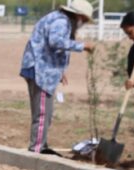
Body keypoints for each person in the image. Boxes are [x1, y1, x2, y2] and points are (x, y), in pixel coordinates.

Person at [19, 0, 95, 155]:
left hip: (44, 69)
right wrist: (82, 46)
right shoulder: (61, 21)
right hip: (39, 70)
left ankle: (41, 145)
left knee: (45, 112)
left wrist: (60, 71)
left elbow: (52, 48)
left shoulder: (59, 19)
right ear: (78, 16)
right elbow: (56, 42)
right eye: (84, 20)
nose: (83, 23)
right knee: (42, 113)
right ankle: (37, 149)